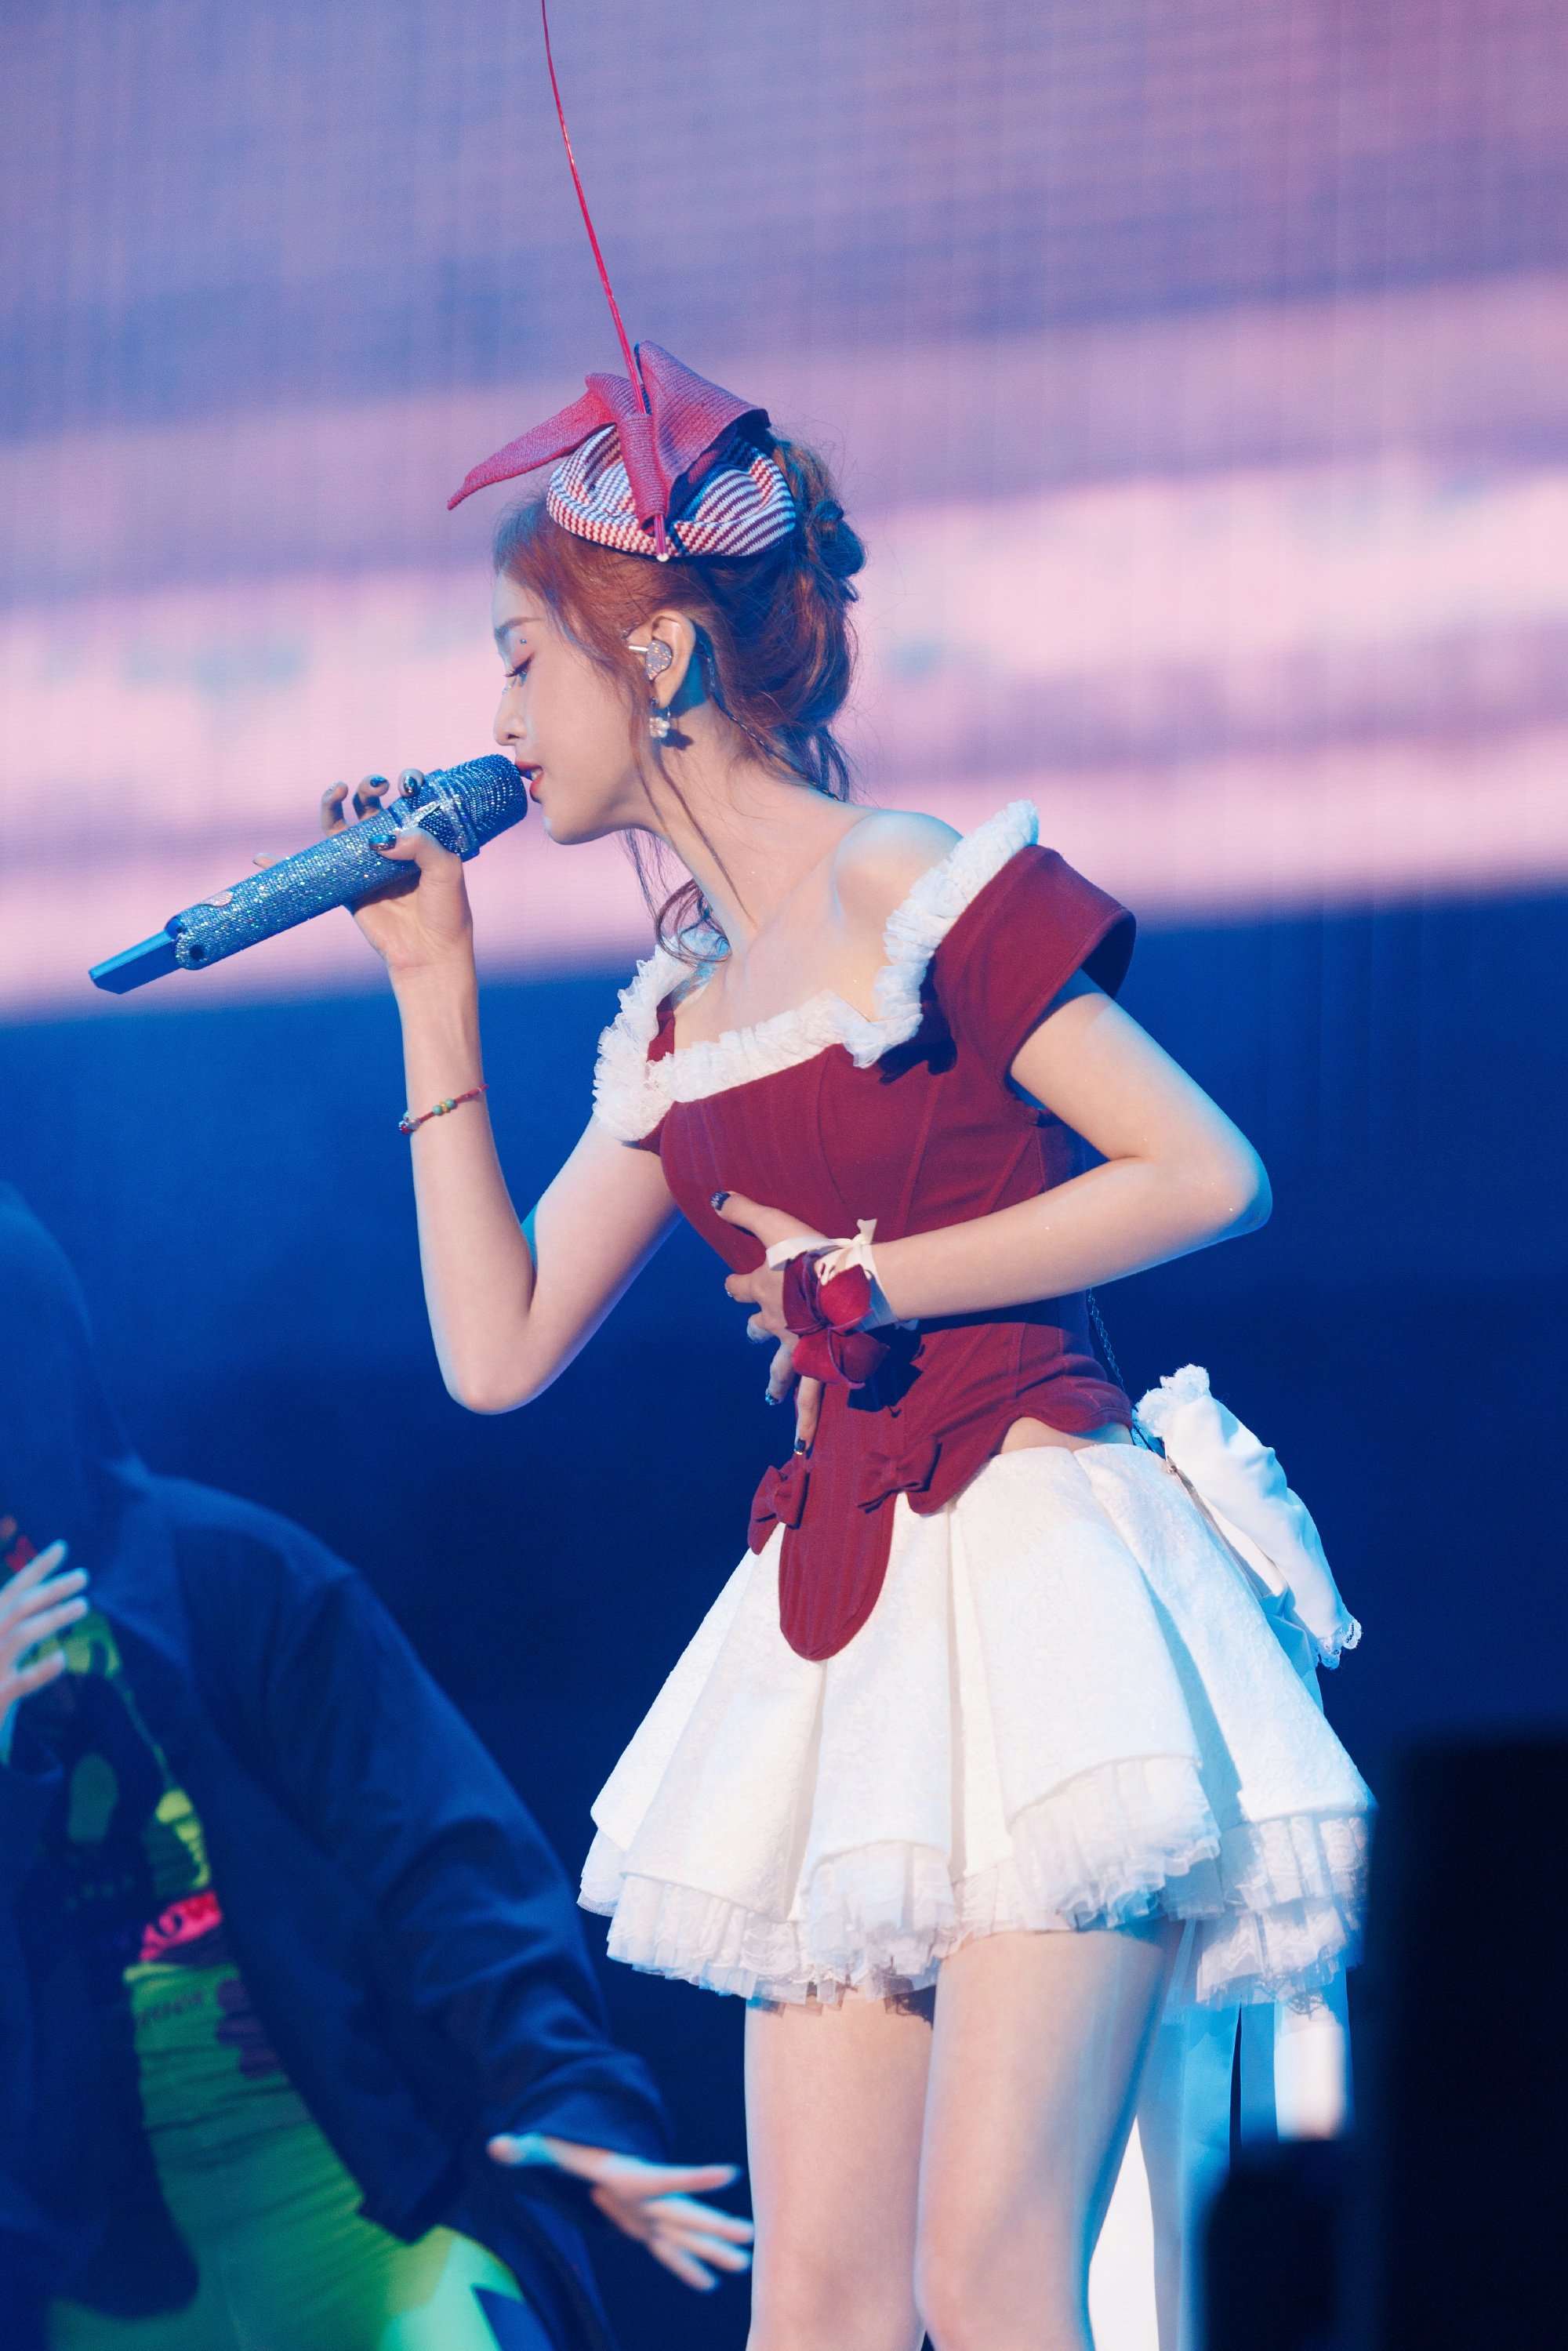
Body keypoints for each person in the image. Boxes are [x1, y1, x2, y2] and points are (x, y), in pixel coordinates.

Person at [325, 338, 1372, 2351]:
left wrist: (880, 1280)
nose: (498, 721)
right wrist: (429, 986)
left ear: (654, 659)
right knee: (811, 2304)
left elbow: (1202, 1168)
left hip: (1043, 1586)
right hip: (843, 1625)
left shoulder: (904, 881)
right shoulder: (683, 1005)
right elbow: (495, 1348)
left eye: (521, 661)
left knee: (988, 2276)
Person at [0, 1186, 753, 2351]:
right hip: (89, 2281)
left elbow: (450, 1868)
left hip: (360, 2205)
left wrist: (569, 2102)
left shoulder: (233, 1579)